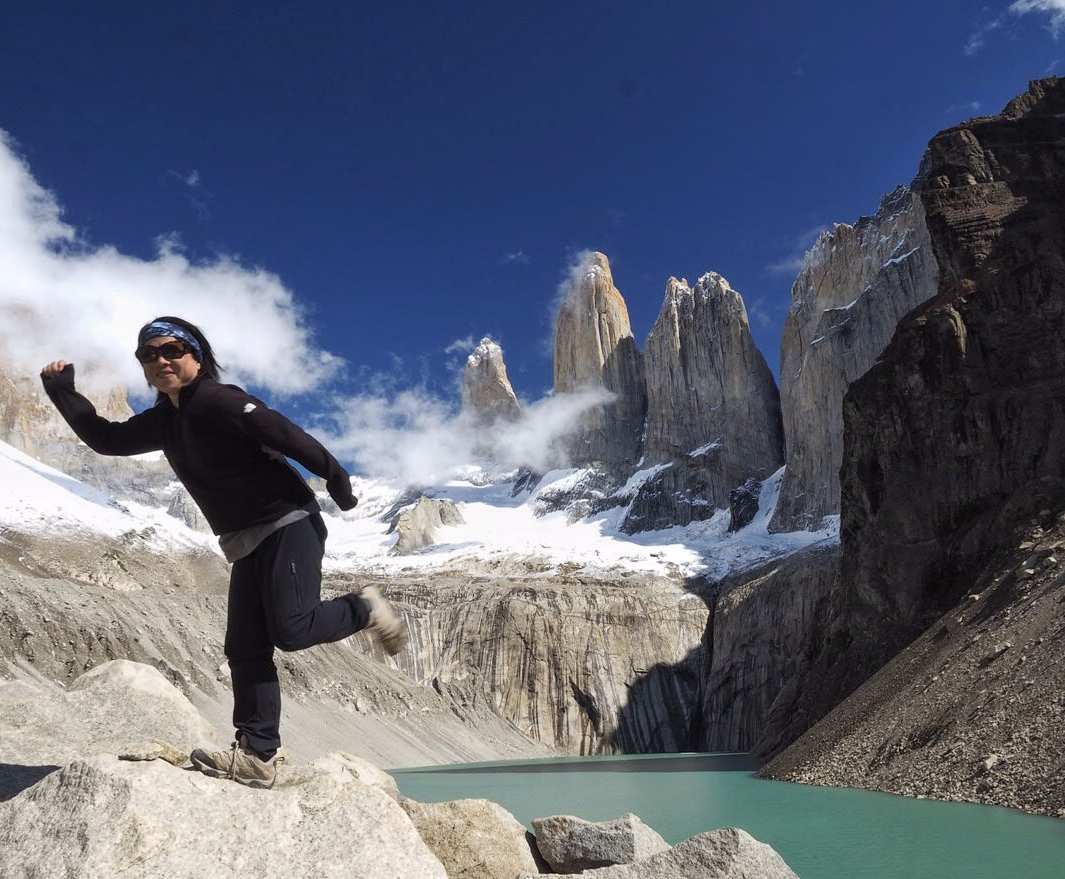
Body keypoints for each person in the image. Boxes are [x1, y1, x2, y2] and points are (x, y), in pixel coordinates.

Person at [40, 316, 405, 789]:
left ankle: (363, 607)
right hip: (243, 541)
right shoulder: (164, 420)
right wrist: (61, 390)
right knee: (245, 648)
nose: (160, 361)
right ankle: (257, 755)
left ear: (196, 355)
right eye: (148, 355)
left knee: (290, 630)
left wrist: (336, 478)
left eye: (171, 350)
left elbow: (282, 431)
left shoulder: (218, 399)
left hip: (287, 523)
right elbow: (106, 439)